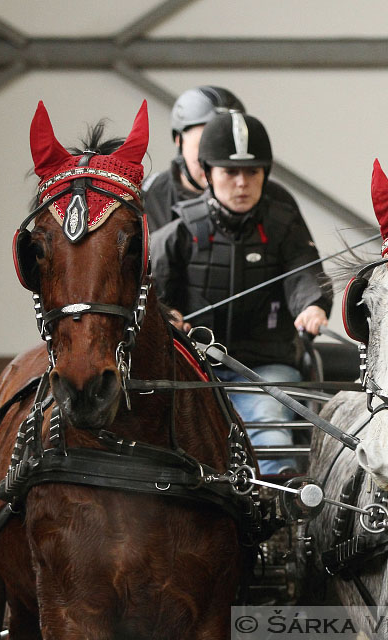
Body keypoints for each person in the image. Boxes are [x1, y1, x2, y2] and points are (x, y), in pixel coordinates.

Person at [150, 111, 331, 475]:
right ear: (208, 172)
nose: (242, 183)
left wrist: (312, 305)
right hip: (193, 368)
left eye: (252, 172)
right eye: (229, 172)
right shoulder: (179, 230)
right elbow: (147, 289)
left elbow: (305, 272)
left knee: (268, 421)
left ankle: (275, 506)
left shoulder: (284, 225)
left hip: (266, 366)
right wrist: (164, 316)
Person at [143, 85, 298, 232]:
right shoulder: (146, 195)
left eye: (226, 146)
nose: (214, 160)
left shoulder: (275, 198)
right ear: (179, 139)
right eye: (204, 145)